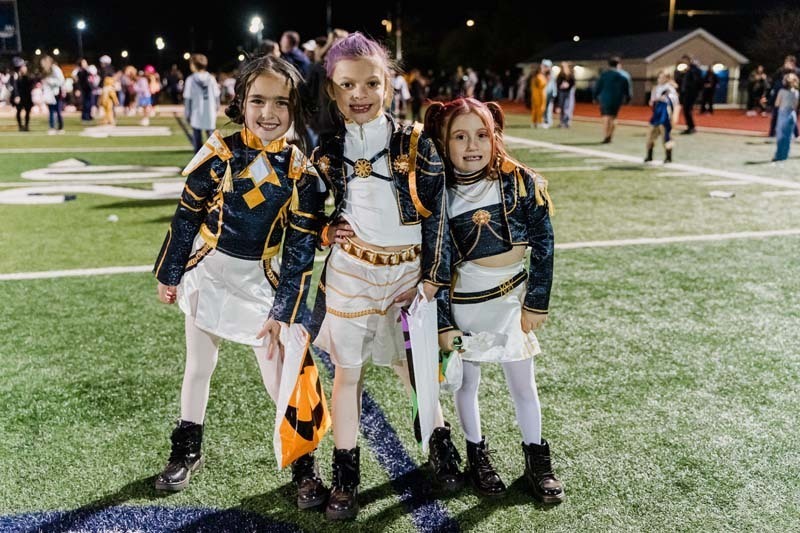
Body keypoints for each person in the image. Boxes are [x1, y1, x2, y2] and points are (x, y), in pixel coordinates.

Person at [152, 54, 328, 509]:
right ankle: (187, 449)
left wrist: (282, 311)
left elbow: (300, 252)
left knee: (278, 377)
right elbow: (187, 217)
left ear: (296, 109)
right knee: (199, 367)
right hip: (207, 274)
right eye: (258, 101)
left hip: (261, 284)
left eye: (281, 104)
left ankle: (303, 465)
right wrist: (170, 274)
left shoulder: (301, 174)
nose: (268, 113)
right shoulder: (219, 152)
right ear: (241, 103)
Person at [309, 32, 458, 521]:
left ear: (390, 83)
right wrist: (325, 229)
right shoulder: (326, 149)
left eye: (372, 82)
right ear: (333, 90)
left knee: (416, 371)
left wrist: (434, 278)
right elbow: (305, 218)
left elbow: (438, 214)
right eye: (348, 84)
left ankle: (441, 449)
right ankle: (345, 478)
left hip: (409, 275)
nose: (360, 94)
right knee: (347, 374)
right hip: (352, 272)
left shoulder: (417, 141)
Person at [424, 97, 564, 504]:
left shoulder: (518, 180)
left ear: (495, 135)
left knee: (524, 385)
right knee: (467, 386)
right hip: (466, 304)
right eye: (460, 137)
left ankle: (537, 460)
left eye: (482, 135)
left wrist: (536, 301)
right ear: (444, 142)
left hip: (513, 302)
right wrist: (444, 322)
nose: (473, 145)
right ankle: (476, 454)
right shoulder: (440, 196)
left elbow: (545, 242)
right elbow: (437, 264)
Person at [183, 53, 220, 152]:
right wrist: (217, 108)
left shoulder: (190, 79)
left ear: (193, 65)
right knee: (212, 141)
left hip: (196, 112)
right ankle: (214, 162)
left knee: (197, 140)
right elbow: (217, 95)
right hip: (210, 112)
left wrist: (187, 113)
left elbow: (188, 98)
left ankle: (198, 163)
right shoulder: (211, 78)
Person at [645, 70, 679, 163]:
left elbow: (674, 102)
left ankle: (668, 157)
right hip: (656, 114)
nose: (660, 79)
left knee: (666, 136)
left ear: (667, 78)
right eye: (659, 77)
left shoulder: (670, 88)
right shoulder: (655, 88)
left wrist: (673, 116)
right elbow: (652, 101)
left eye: (662, 77)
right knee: (650, 135)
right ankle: (649, 155)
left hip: (666, 115)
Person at [593, 56, 630, 143]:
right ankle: (610, 136)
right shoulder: (623, 76)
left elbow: (597, 87)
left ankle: (606, 136)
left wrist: (594, 97)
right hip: (617, 99)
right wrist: (628, 98)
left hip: (605, 99)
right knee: (613, 117)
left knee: (606, 117)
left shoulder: (604, 75)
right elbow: (627, 89)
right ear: (618, 64)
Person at [773, 73, 799, 162]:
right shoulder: (796, 92)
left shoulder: (781, 91)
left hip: (783, 114)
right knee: (788, 136)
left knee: (780, 136)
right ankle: (785, 155)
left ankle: (778, 155)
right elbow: (795, 106)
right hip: (792, 115)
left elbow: (777, 104)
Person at [675, 54, 702, 134]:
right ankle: (690, 127)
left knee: (687, 110)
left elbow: (696, 81)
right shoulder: (686, 70)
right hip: (685, 93)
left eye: (685, 60)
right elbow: (679, 80)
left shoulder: (694, 69)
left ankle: (691, 127)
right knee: (686, 110)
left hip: (691, 93)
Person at [39, 55, 65, 135]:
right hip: (49, 94)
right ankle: (52, 127)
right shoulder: (47, 71)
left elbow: (61, 80)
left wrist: (50, 81)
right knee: (50, 111)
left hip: (56, 93)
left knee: (57, 111)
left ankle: (60, 127)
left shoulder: (55, 69)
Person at [10, 57, 33, 132]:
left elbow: (30, 85)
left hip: (27, 96)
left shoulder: (27, 75)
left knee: (27, 111)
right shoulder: (15, 76)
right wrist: (16, 96)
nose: (25, 67)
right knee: (19, 111)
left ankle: (26, 126)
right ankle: (20, 126)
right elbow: (15, 87)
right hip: (19, 96)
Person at [555, 61, 575, 128]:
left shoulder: (570, 75)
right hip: (562, 92)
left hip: (568, 93)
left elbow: (573, 83)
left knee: (567, 107)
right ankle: (561, 122)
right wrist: (561, 86)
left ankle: (566, 122)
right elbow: (557, 83)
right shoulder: (560, 75)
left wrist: (568, 86)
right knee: (562, 107)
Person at [529, 62, 548, 128]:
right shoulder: (539, 76)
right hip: (540, 96)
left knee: (535, 109)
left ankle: (534, 122)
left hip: (535, 95)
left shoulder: (534, 76)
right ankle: (540, 122)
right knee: (540, 109)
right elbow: (542, 86)